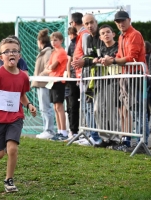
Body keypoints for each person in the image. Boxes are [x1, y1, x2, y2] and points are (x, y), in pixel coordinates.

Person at [0, 37, 36, 193]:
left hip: (15, 117)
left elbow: (21, 94)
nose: (11, 53)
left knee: (12, 149)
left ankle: (9, 180)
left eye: (14, 51)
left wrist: (28, 105)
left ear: (19, 55)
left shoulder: (23, 76)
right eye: (7, 51)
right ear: (1, 57)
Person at [101, 10, 149, 153]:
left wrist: (113, 60)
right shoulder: (122, 36)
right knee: (129, 111)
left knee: (139, 112)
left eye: (122, 20)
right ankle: (131, 142)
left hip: (136, 76)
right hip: (126, 77)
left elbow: (131, 58)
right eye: (117, 21)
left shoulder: (135, 35)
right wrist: (108, 59)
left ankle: (142, 144)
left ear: (129, 20)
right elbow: (120, 56)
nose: (120, 23)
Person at [71, 13, 102, 146]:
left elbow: (92, 57)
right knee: (86, 107)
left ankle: (95, 136)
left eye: (92, 22)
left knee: (93, 108)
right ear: (83, 24)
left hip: (95, 77)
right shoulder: (86, 37)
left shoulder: (86, 36)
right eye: (87, 23)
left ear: (96, 22)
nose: (90, 25)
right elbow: (88, 56)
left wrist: (85, 62)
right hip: (85, 76)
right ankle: (90, 134)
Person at [66, 12, 89, 141]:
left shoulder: (84, 34)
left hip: (84, 75)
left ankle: (89, 134)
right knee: (83, 106)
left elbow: (87, 54)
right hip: (80, 75)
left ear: (73, 23)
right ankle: (84, 132)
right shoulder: (80, 35)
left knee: (86, 106)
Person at [43, 31, 68, 141]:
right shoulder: (53, 52)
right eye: (52, 40)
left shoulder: (61, 52)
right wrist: (48, 69)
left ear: (61, 41)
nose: (53, 42)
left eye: (56, 40)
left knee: (59, 106)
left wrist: (49, 69)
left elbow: (52, 67)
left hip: (59, 81)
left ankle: (64, 131)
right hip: (52, 80)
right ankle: (59, 130)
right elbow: (47, 67)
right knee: (55, 107)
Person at [31, 28, 55, 139]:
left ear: (40, 41)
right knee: (43, 108)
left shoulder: (48, 52)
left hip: (44, 84)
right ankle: (46, 129)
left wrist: (39, 77)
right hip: (41, 84)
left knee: (46, 108)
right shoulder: (45, 52)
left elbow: (48, 69)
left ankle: (49, 130)